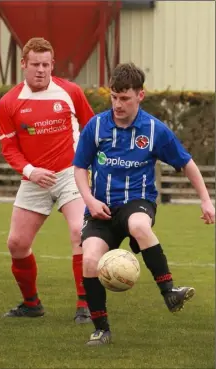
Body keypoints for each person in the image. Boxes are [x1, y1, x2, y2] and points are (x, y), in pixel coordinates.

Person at [73, 62, 215, 345]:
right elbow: (79, 168)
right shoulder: (97, 125)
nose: (118, 104)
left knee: (138, 224)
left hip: (137, 202)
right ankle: (101, 328)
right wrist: (89, 199)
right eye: (114, 97)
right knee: (89, 259)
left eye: (124, 98)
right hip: (100, 208)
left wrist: (206, 200)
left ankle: (169, 292)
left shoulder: (154, 130)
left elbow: (186, 163)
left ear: (140, 95)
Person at [0, 37, 94, 323]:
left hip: (70, 175)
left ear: (52, 65)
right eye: (35, 64)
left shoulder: (70, 92)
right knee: (16, 243)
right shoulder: (9, 103)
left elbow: (91, 129)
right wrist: (30, 172)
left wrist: (91, 166)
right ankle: (31, 304)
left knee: (79, 231)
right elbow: (9, 148)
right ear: (24, 65)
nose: (41, 70)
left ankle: (84, 305)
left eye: (46, 64)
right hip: (34, 179)